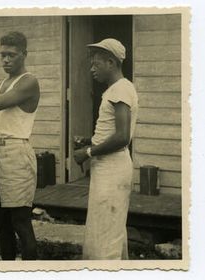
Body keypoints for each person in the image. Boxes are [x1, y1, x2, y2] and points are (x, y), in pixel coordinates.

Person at [73, 38, 138, 260]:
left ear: (110, 62)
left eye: (96, 64)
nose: (92, 69)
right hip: (107, 167)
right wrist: (89, 141)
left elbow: (122, 137)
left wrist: (88, 152)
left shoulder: (121, 89)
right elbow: (111, 132)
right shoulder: (115, 90)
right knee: (108, 229)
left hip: (113, 168)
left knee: (106, 234)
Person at [0, 31, 40, 260]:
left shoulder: (28, 81)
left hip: (16, 152)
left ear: (24, 54)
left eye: (11, 55)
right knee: (1, 221)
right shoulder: (4, 82)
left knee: (20, 221)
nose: (5, 60)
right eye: (2, 55)